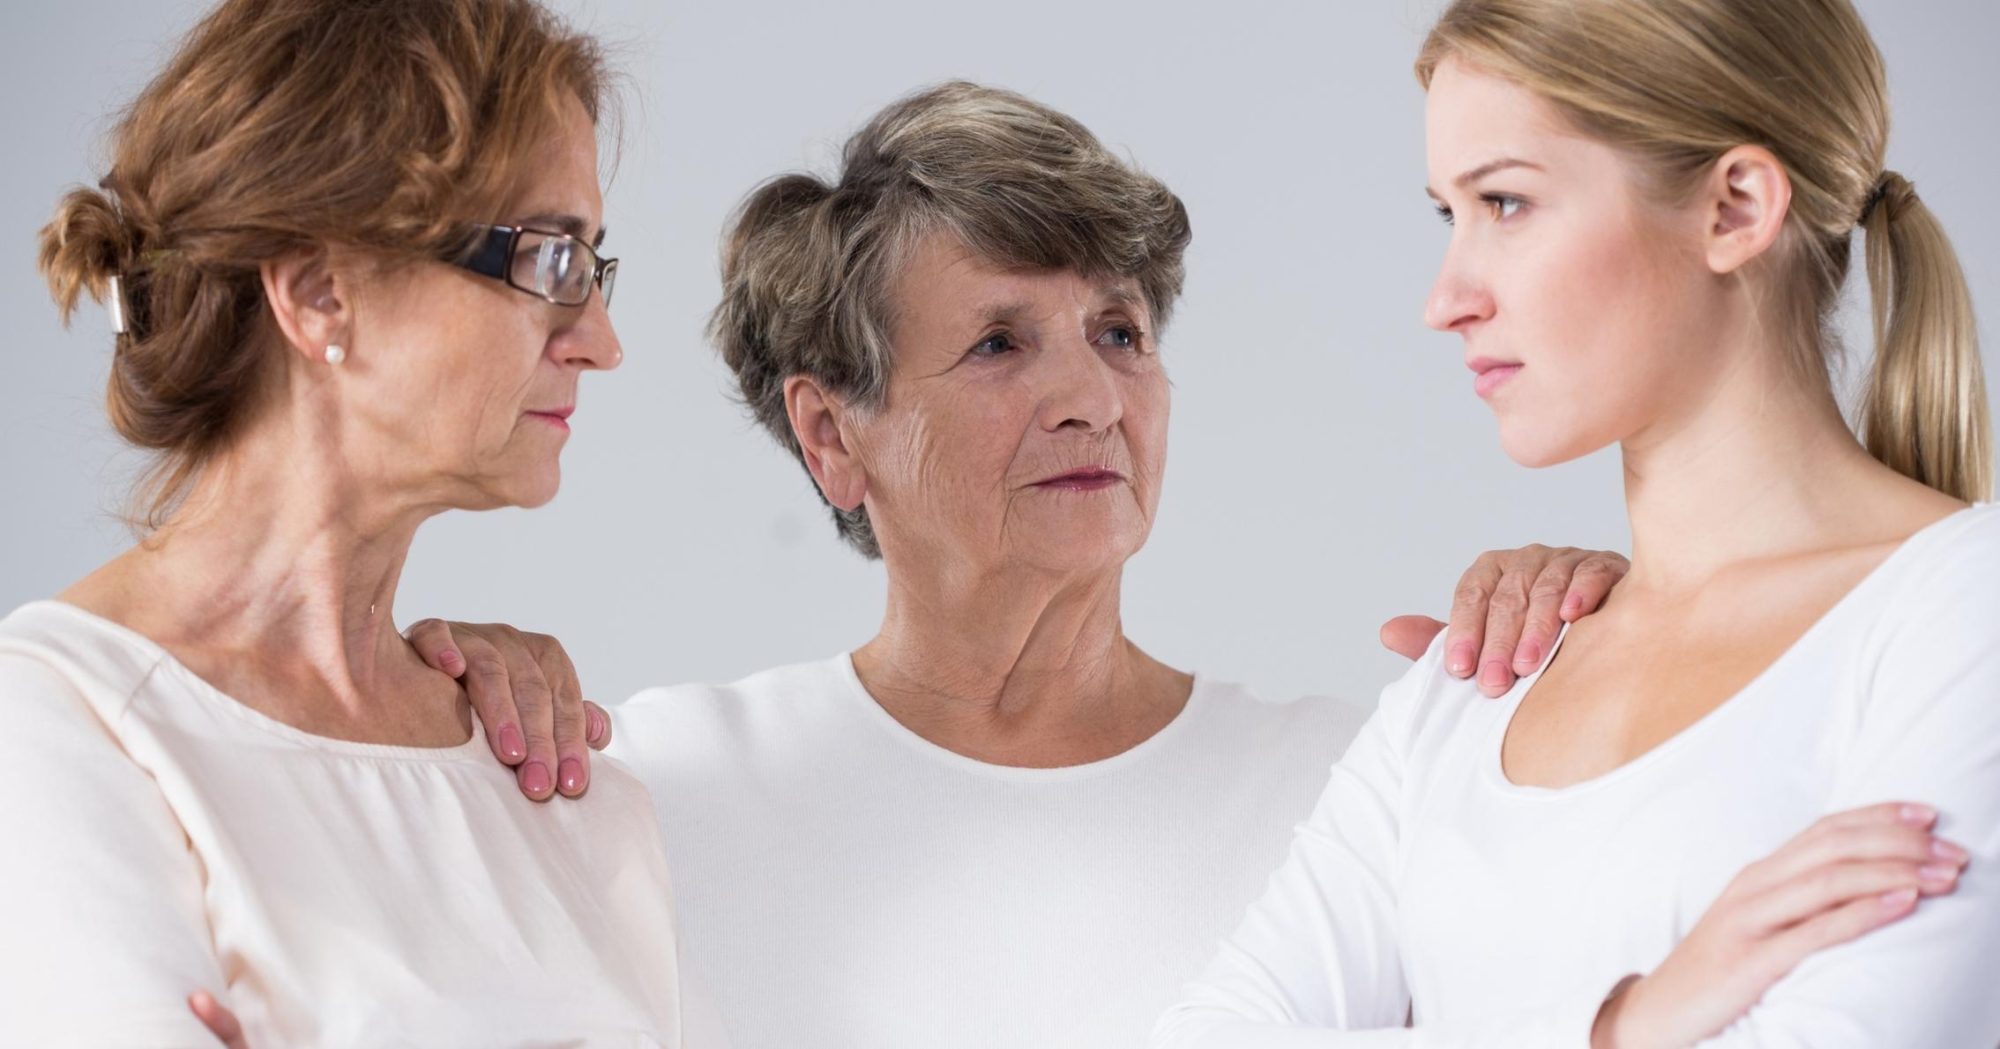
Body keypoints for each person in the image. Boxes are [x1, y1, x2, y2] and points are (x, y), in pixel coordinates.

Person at [392, 83, 1875, 1049]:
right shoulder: (652, 787)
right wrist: (430, 706)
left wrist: (1631, 635)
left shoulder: (1358, 789)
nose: (1092, 395)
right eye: (997, 344)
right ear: (833, 438)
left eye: (1121, 332)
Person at [1155, 0, 1998, 1045]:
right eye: (1445, 214)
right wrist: (1620, 1026)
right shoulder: (1478, 673)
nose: (1444, 298)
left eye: (1504, 202)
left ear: (1733, 208)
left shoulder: (1961, 619)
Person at [2, 0, 691, 1045]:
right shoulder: (59, 728)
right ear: (321, 292)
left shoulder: (547, 769)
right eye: (549, 258)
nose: (599, 339)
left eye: (590, 267)